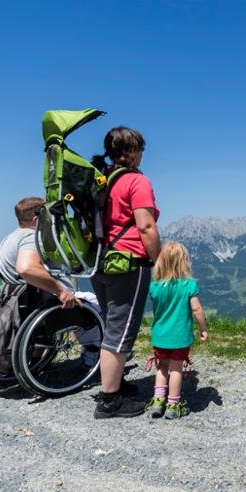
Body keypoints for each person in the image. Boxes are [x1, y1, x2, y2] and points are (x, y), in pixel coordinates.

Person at [90, 126, 161, 419]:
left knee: (112, 324)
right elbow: (145, 225)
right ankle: (109, 401)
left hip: (99, 261)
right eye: (141, 149)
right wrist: (159, 260)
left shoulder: (102, 178)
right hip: (128, 262)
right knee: (120, 331)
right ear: (131, 152)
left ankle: (115, 384)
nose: (142, 155)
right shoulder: (134, 180)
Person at [143, 241, 209, 420]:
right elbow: (196, 309)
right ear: (184, 262)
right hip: (180, 337)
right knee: (176, 369)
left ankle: (158, 402)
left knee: (161, 368)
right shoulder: (188, 285)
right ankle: (173, 404)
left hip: (160, 336)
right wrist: (203, 329)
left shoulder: (155, 286)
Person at [0, 197, 85, 310]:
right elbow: (26, 268)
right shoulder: (33, 238)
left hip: (18, 299)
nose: (51, 220)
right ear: (37, 220)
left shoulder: (8, 239)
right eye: (48, 216)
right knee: (102, 307)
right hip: (51, 301)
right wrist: (61, 292)